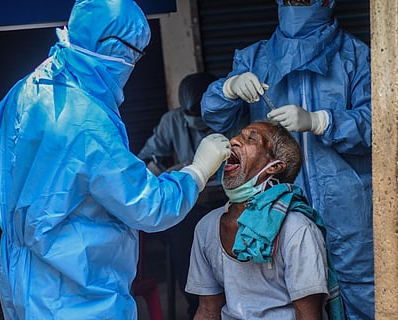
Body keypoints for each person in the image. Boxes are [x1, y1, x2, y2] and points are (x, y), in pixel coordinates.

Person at [0, 0, 231, 319]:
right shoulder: (87, 122)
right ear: (113, 47)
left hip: (22, 280)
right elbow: (149, 206)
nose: (132, 64)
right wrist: (198, 170)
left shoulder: (25, 90)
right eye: (134, 54)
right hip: (78, 294)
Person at [200, 0, 373, 318]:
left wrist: (322, 121)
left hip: (347, 213)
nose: (298, 3)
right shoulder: (254, 59)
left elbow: (378, 125)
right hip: (273, 213)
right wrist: (228, 88)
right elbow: (216, 116)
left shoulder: (355, 56)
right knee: (284, 297)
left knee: (360, 293)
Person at [185, 120, 344, 320]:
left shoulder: (297, 229)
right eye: (238, 135)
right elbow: (208, 310)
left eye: (250, 139)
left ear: (274, 167)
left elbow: (309, 316)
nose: (233, 140)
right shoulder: (206, 227)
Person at [138, 72, 228, 318]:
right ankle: (196, 305)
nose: (195, 123)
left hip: (226, 202)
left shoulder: (229, 118)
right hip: (190, 207)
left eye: (200, 117)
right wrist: (169, 171)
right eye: (190, 117)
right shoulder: (172, 121)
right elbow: (146, 161)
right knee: (181, 239)